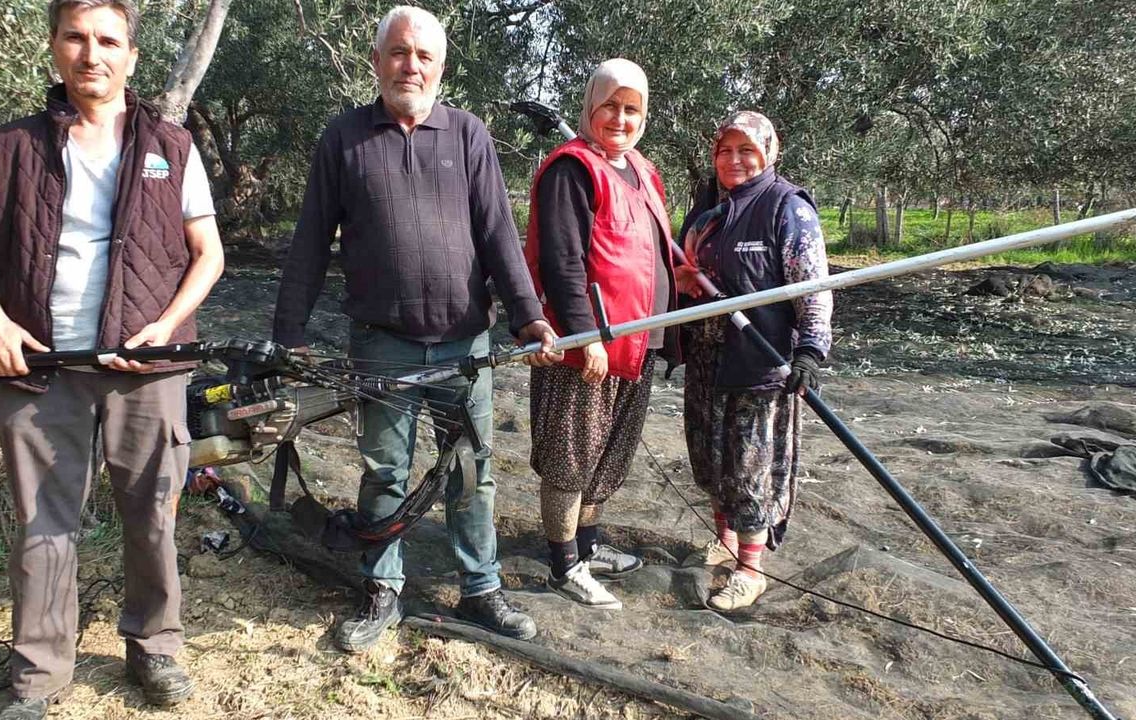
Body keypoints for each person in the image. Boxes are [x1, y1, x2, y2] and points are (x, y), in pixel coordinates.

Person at [0, 1, 224, 716]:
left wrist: (168, 324)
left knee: (153, 516)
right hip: (40, 370)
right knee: (44, 527)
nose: (91, 53)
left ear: (131, 56)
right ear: (54, 48)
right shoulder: (12, 146)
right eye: (76, 37)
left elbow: (209, 253)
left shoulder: (172, 145)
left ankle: (155, 649)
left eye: (108, 40)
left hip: (148, 372)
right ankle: (39, 677)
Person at [273, 5, 561, 652]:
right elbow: (311, 241)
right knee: (384, 469)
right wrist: (287, 331)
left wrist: (529, 317)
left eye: (424, 55)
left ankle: (481, 586)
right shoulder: (343, 138)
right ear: (377, 62)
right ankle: (383, 588)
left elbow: (497, 235)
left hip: (465, 341)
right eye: (399, 53)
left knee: (471, 470)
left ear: (441, 67)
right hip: (383, 341)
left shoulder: (467, 135)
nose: (411, 65)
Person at [522, 59, 677, 610]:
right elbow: (563, 260)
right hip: (589, 346)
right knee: (572, 455)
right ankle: (565, 563)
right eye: (609, 105)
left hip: (640, 340)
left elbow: (657, 254)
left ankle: (587, 546)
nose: (620, 118)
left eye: (632, 109)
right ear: (589, 107)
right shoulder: (572, 169)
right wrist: (583, 334)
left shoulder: (644, 172)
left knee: (610, 454)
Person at [675, 110, 832, 611]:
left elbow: (814, 286)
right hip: (706, 359)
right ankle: (724, 542)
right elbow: (686, 271)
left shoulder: (786, 207)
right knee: (709, 459)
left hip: (759, 363)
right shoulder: (708, 211)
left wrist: (809, 349)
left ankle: (750, 567)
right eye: (725, 150)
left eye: (747, 150)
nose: (735, 159)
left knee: (749, 469)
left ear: (769, 153)